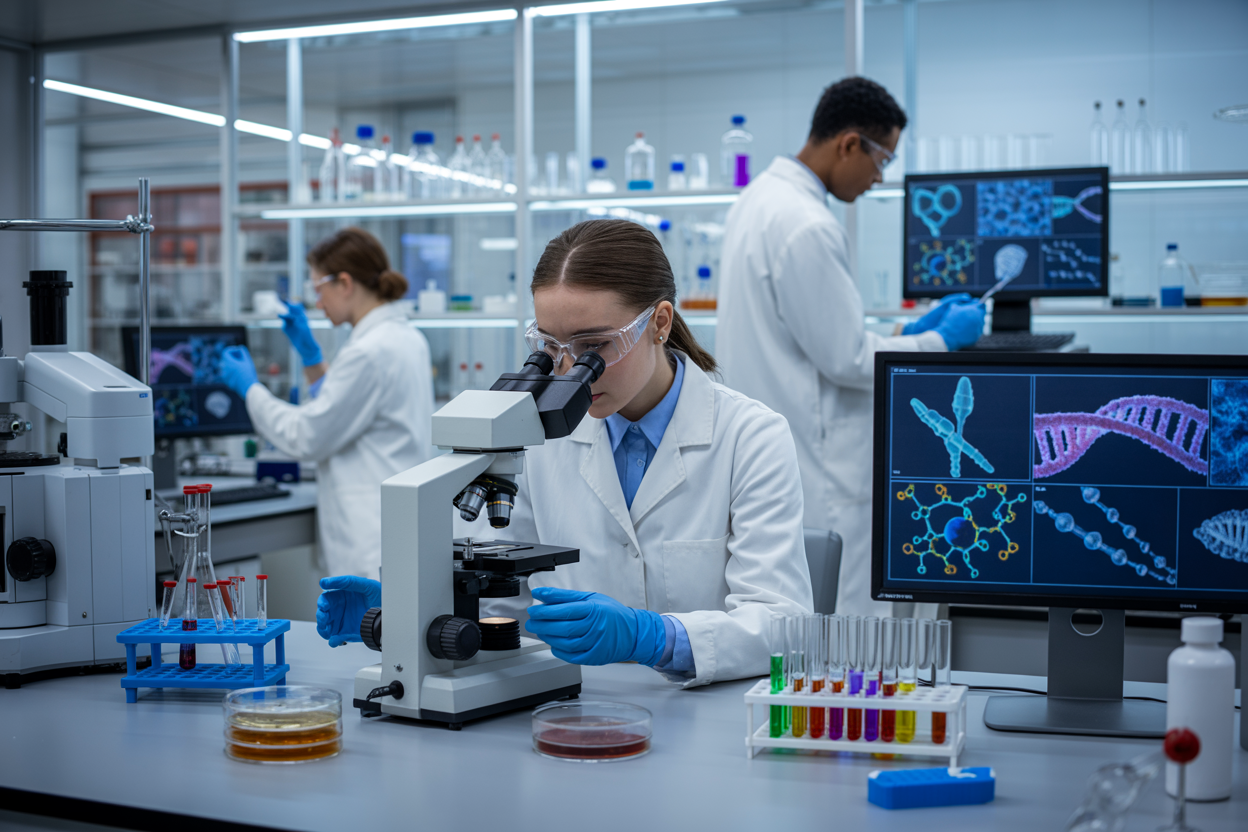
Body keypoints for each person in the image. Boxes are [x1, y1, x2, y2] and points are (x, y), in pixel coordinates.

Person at [316, 219, 813, 687]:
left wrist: (657, 637)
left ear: (659, 322)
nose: (570, 368)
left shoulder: (751, 436)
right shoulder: (537, 433)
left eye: (594, 346)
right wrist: (414, 606)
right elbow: (505, 596)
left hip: (706, 713)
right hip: (572, 706)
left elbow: (781, 624)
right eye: (551, 347)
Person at [716, 77, 986, 619]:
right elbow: (848, 359)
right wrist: (940, 340)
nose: (880, 177)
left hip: (776, 446)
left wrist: (908, 334)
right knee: (845, 630)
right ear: (849, 144)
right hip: (821, 467)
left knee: (792, 618)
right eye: (882, 158)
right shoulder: (808, 224)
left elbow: (809, 334)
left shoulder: (759, 200)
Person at [219, 227, 435, 578]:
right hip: (394, 524)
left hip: (370, 537)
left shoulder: (368, 351)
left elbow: (306, 435)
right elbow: (344, 410)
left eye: (318, 289)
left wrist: (250, 389)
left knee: (366, 631)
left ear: (345, 283)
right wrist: (310, 357)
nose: (317, 303)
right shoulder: (404, 337)